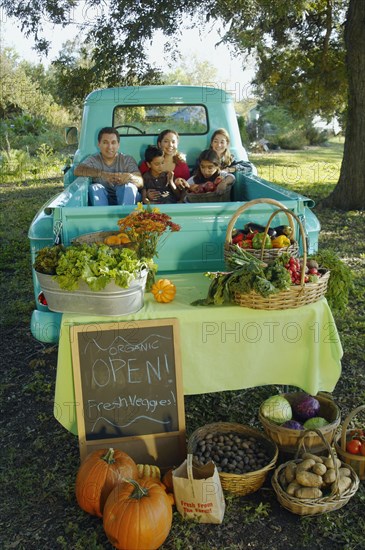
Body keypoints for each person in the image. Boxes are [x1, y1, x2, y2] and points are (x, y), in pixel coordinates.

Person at [74, 127, 143, 205]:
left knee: (129, 187)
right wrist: (104, 174)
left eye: (113, 142)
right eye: (105, 142)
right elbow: (78, 170)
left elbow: (140, 182)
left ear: (118, 145)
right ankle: (102, 215)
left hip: (128, 201)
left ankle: (126, 215)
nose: (110, 147)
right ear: (99, 144)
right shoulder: (93, 159)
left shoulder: (127, 160)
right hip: (105, 199)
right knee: (94, 187)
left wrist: (128, 177)